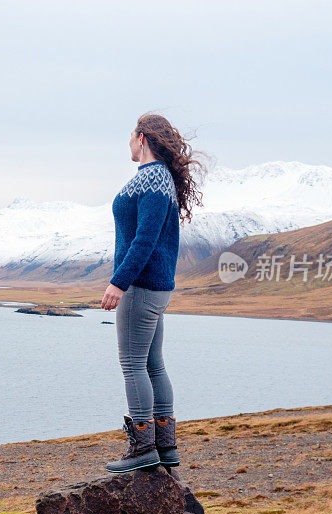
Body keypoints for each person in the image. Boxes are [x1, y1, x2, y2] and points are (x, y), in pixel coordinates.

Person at [101, 112, 204, 473]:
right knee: (153, 365)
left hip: (142, 287)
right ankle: (165, 447)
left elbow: (144, 239)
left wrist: (119, 282)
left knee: (133, 365)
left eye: (131, 136)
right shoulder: (155, 179)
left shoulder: (153, 179)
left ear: (142, 137)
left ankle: (143, 447)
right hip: (156, 288)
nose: (128, 142)